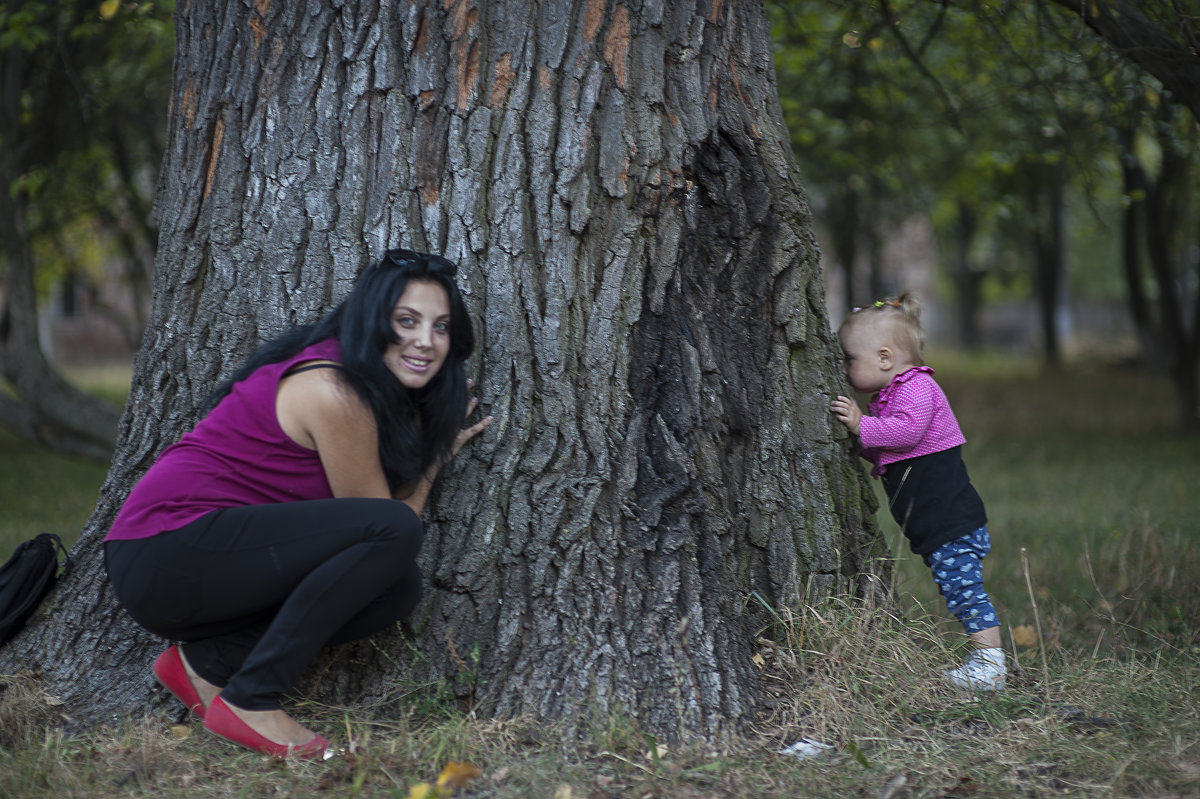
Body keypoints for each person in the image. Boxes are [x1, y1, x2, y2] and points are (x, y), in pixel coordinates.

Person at [104, 249, 493, 758]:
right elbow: (388, 524)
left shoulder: (361, 381)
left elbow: (369, 541)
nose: (425, 340)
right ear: (372, 319)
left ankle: (207, 666)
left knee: (395, 590)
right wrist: (435, 459)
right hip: (167, 550)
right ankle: (253, 698)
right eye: (406, 321)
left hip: (185, 562)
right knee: (394, 538)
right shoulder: (334, 391)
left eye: (441, 326)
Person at [829, 294, 1005, 691]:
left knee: (964, 592)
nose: (843, 368)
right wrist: (858, 440)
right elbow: (883, 445)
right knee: (956, 588)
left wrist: (860, 425)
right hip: (935, 521)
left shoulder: (918, 388)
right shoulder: (889, 395)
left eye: (849, 359)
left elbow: (906, 434)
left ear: (885, 357)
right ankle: (986, 662)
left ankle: (990, 664)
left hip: (952, 520)